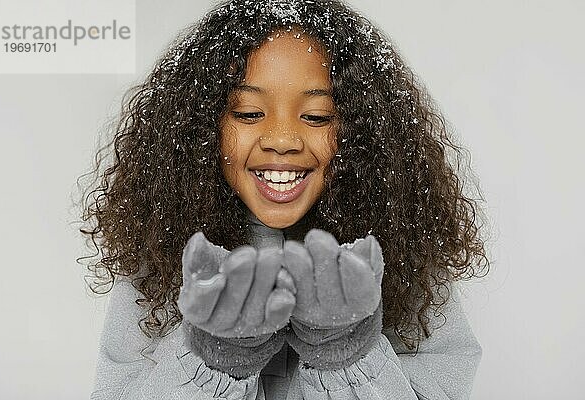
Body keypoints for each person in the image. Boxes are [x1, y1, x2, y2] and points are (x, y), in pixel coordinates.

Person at [78, 0, 490, 398]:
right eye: (248, 113)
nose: (281, 140)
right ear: (201, 127)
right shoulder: (158, 258)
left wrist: (344, 351)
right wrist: (213, 360)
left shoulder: (405, 255)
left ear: (365, 136)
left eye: (316, 117)